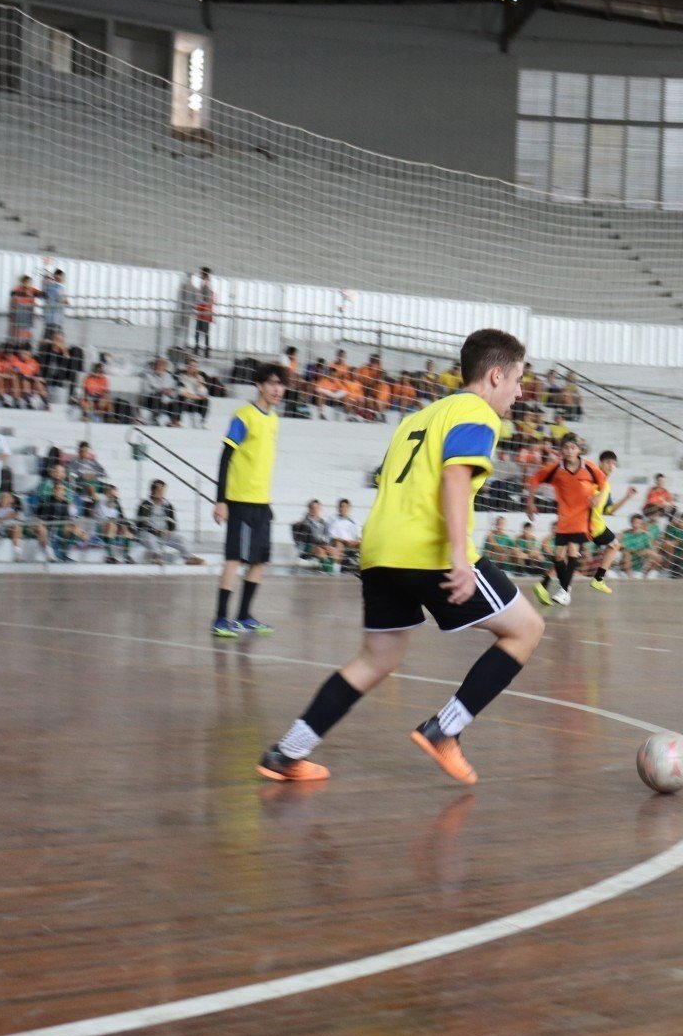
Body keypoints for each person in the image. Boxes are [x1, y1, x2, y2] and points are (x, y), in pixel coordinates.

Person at [257, 328, 544, 785]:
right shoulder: (478, 413)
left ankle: (287, 752)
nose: (520, 390)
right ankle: (444, 729)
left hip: (379, 549)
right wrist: (458, 556)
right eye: (518, 379)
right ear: (495, 375)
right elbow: (454, 478)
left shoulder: (420, 416)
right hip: (426, 549)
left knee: (376, 658)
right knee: (526, 630)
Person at [212, 364, 286, 637]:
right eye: (272, 383)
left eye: (281, 384)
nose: (278, 389)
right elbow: (225, 457)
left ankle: (243, 616)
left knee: (260, 560)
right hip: (239, 500)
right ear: (259, 385)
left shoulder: (274, 418)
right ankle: (221, 618)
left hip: (261, 501)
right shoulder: (243, 416)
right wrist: (221, 500)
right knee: (235, 559)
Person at [526, 436, 604, 606]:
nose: (569, 450)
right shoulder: (556, 469)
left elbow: (603, 482)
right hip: (563, 517)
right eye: (566, 447)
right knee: (558, 556)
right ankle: (565, 590)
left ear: (579, 450)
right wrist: (530, 502)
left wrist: (598, 497)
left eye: (572, 447)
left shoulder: (589, 467)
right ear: (561, 450)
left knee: (572, 552)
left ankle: (564, 591)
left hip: (582, 517)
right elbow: (535, 479)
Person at [585, 448, 635, 593]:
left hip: (595, 525)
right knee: (568, 555)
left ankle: (598, 579)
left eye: (614, 464)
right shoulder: (592, 478)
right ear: (600, 463)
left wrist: (627, 497)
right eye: (608, 462)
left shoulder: (606, 485)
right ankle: (597, 579)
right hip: (587, 524)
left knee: (614, 545)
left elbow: (610, 510)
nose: (611, 466)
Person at [136, 480, 202, 565]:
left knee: (181, 539)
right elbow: (142, 523)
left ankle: (188, 557)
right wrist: (155, 531)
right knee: (149, 538)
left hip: (164, 534)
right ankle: (156, 556)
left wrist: (168, 531)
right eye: (158, 490)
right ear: (152, 490)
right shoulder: (145, 504)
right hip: (149, 533)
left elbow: (173, 523)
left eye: (162, 490)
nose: (160, 492)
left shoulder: (168, 505)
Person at [327, 497, 362, 572]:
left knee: (364, 544)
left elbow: (359, 536)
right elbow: (332, 536)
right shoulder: (333, 520)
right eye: (341, 506)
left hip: (352, 543)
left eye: (345, 507)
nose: (343, 509)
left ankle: (364, 567)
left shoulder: (355, 521)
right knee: (339, 544)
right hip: (339, 542)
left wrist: (355, 541)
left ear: (349, 508)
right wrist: (344, 541)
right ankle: (336, 570)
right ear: (338, 508)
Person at [8, 274, 42, 343]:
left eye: (30, 282)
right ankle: (16, 343)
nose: (29, 284)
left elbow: (38, 295)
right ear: (23, 282)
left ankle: (26, 343)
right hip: (19, 314)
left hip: (28, 314)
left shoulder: (31, 290)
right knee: (17, 331)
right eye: (27, 282)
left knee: (27, 330)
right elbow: (14, 298)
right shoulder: (18, 290)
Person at [193, 268, 216, 358]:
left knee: (202, 332)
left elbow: (206, 299)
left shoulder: (206, 284)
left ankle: (203, 351)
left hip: (204, 311)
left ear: (204, 274)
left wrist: (199, 302)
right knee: (202, 332)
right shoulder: (205, 284)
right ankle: (202, 350)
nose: (200, 275)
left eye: (201, 274)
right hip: (203, 311)